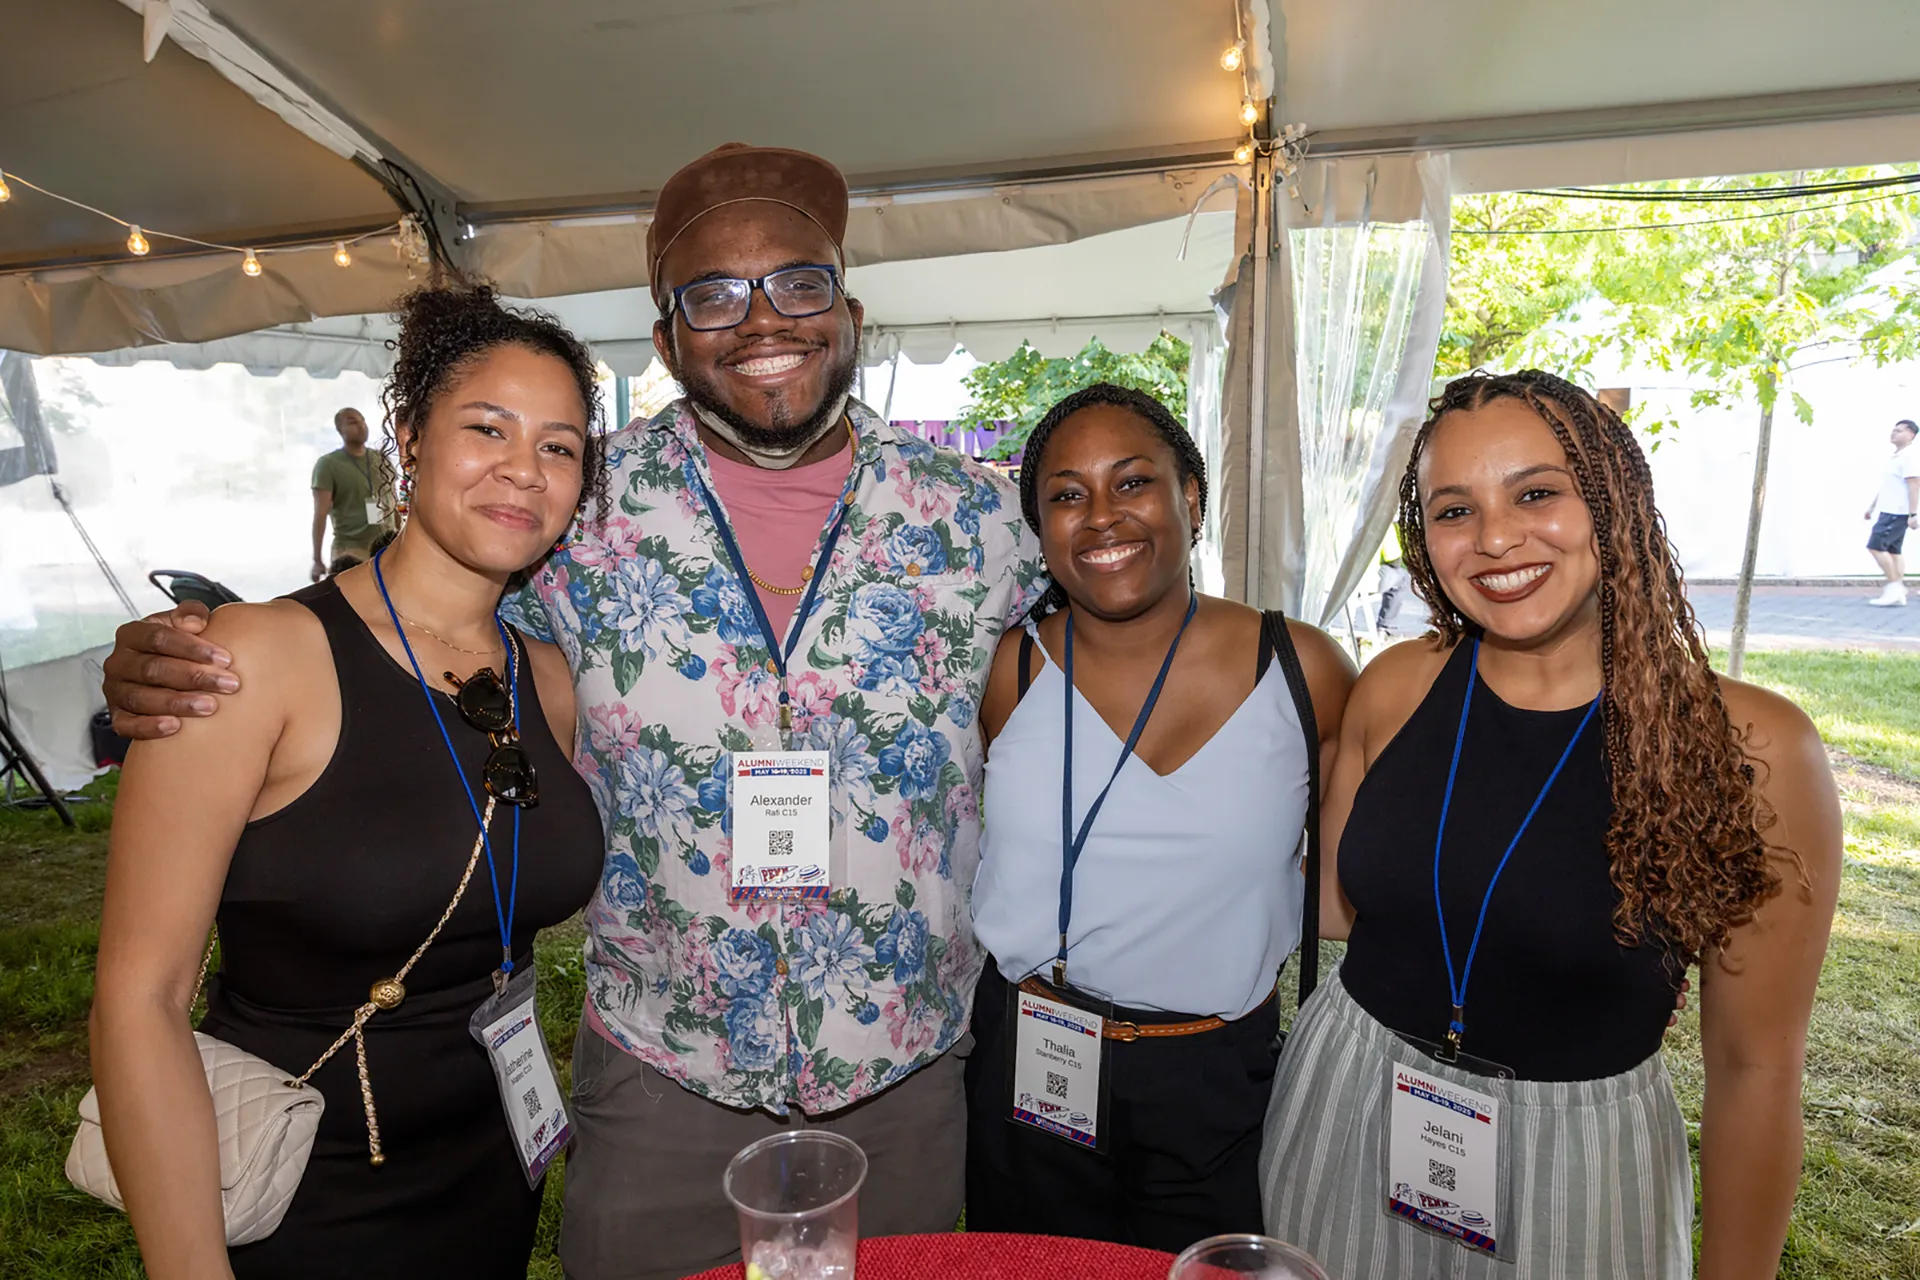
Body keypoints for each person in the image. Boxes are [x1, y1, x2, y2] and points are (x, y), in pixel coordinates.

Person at [100, 143, 1048, 1280]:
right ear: (665, 339)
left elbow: (1114, 644)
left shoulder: (980, 524)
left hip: (903, 1079)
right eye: (712, 294)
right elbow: (400, 610)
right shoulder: (580, 497)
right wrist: (178, 651)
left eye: (799, 283)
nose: (763, 320)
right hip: (661, 1086)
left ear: (847, 311)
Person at [1260, 371, 1840, 1279]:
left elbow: (1754, 1069)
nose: (1495, 538)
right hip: (1349, 1097)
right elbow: (1333, 902)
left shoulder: (1752, 747)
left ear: (1614, 502)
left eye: (1537, 493)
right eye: (1454, 510)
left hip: (1576, 1153)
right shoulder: (1399, 685)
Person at [89, 285, 609, 1280]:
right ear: (407, 439)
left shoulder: (546, 678)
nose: (523, 468)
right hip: (296, 1185)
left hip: (490, 1169)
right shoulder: (255, 658)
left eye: (559, 446)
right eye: (487, 427)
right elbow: (138, 996)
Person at [965, 384, 1353, 1249]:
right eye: (1067, 495)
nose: (1101, 516)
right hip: (1035, 1050)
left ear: (1192, 499)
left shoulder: (1303, 670)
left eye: (1132, 482)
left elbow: (1346, 883)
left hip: (1216, 1077)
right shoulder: (1010, 674)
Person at [311, 407, 398, 581]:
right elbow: (320, 514)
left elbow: (394, 503)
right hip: (351, 551)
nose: (361, 426)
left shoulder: (380, 459)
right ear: (340, 429)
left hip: (386, 548)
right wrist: (317, 559)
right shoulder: (328, 465)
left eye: (362, 420)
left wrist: (401, 540)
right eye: (352, 422)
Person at [1862, 417, 1920, 606]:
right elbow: (1887, 486)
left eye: (1899, 430)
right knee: (1894, 551)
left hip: (1898, 511)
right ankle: (1898, 592)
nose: (1894, 433)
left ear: (1911, 434)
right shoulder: (1896, 456)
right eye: (1894, 430)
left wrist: (1913, 514)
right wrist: (1872, 506)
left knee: (1875, 546)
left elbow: (1914, 485)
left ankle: (1895, 587)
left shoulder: (1910, 457)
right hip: (1888, 509)